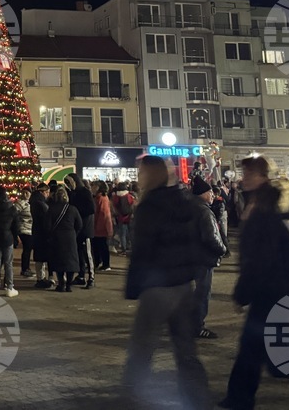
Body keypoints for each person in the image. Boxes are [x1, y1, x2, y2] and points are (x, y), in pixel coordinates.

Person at [217, 156, 289, 410]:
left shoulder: (264, 210)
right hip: (278, 290)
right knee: (261, 350)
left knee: (259, 350)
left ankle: (240, 399)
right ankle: (239, 398)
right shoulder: (268, 204)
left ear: (264, 177)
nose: (244, 179)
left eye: (250, 174)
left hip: (271, 292)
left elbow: (259, 258)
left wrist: (243, 293)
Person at [122, 156, 209, 410]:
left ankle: (132, 397)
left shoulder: (151, 205)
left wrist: (133, 287)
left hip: (158, 285)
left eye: (141, 172)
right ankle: (198, 399)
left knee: (142, 347)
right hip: (183, 284)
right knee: (186, 350)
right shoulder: (185, 200)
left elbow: (142, 250)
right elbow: (197, 240)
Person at [190, 175, 228, 340]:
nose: (212, 195)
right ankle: (197, 326)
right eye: (210, 192)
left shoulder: (189, 208)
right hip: (203, 257)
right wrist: (223, 249)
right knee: (202, 293)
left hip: (192, 256)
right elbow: (211, 237)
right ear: (203, 194)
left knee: (195, 292)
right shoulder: (204, 211)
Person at [47, 186, 82, 292]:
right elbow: (79, 224)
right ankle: (69, 285)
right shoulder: (72, 209)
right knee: (70, 262)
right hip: (70, 237)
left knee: (59, 261)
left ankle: (61, 284)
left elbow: (47, 225)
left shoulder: (51, 209)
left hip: (56, 237)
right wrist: (74, 233)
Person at [65, 174, 95, 288]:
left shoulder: (85, 192)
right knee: (79, 254)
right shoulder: (73, 193)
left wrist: (76, 212)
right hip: (76, 229)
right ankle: (81, 276)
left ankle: (91, 277)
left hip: (85, 229)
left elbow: (91, 209)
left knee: (87, 254)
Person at [30, 183, 54, 288]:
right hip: (43, 233)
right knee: (44, 256)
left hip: (37, 232)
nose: (48, 195)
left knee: (39, 256)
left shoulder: (34, 201)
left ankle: (40, 278)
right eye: (47, 192)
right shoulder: (41, 203)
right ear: (43, 192)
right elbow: (46, 218)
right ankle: (42, 279)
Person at [92, 180, 114, 272]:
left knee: (102, 246)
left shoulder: (102, 198)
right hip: (99, 226)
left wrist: (97, 227)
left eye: (94, 186)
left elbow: (103, 214)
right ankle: (98, 263)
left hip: (101, 228)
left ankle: (105, 264)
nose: (92, 188)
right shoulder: (99, 198)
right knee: (98, 246)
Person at [14, 187, 34, 277]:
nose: (25, 194)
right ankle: (25, 269)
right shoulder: (19, 203)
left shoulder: (31, 203)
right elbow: (15, 216)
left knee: (28, 249)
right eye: (24, 192)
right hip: (24, 229)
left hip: (30, 229)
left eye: (27, 192)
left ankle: (27, 268)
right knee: (26, 249)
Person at [112, 182, 133, 255]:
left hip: (121, 217)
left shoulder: (116, 197)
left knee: (122, 234)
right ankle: (129, 247)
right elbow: (132, 205)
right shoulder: (129, 196)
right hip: (129, 217)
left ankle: (123, 249)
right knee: (129, 233)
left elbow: (114, 207)